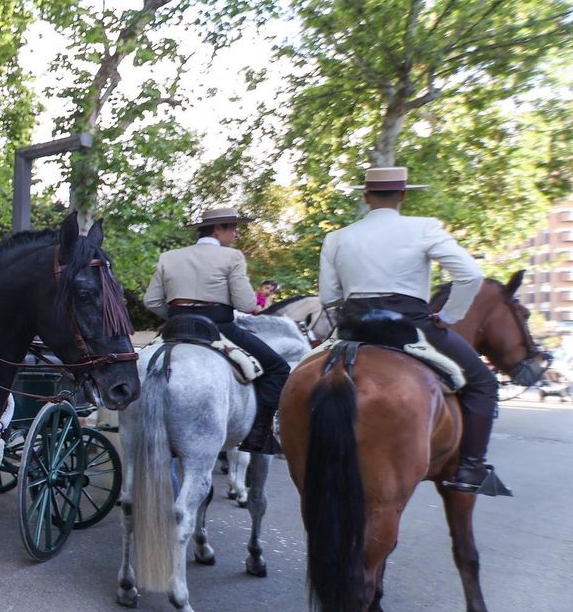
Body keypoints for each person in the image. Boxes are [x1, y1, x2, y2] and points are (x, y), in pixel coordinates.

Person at [319, 166, 502, 494]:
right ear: (403, 195)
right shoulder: (424, 227)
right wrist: (447, 315)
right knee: (484, 384)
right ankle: (469, 469)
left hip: (353, 326)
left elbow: (329, 297)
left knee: (299, 372)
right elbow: (471, 274)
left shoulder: (337, 237)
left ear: (366, 197)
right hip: (410, 325)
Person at [143, 207, 289, 454]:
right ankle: (257, 437)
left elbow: (152, 302)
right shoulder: (232, 257)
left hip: (175, 327)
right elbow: (245, 304)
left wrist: (181, 315)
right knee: (278, 368)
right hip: (219, 328)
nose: (236, 234)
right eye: (233, 228)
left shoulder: (169, 257)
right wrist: (252, 306)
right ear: (218, 228)